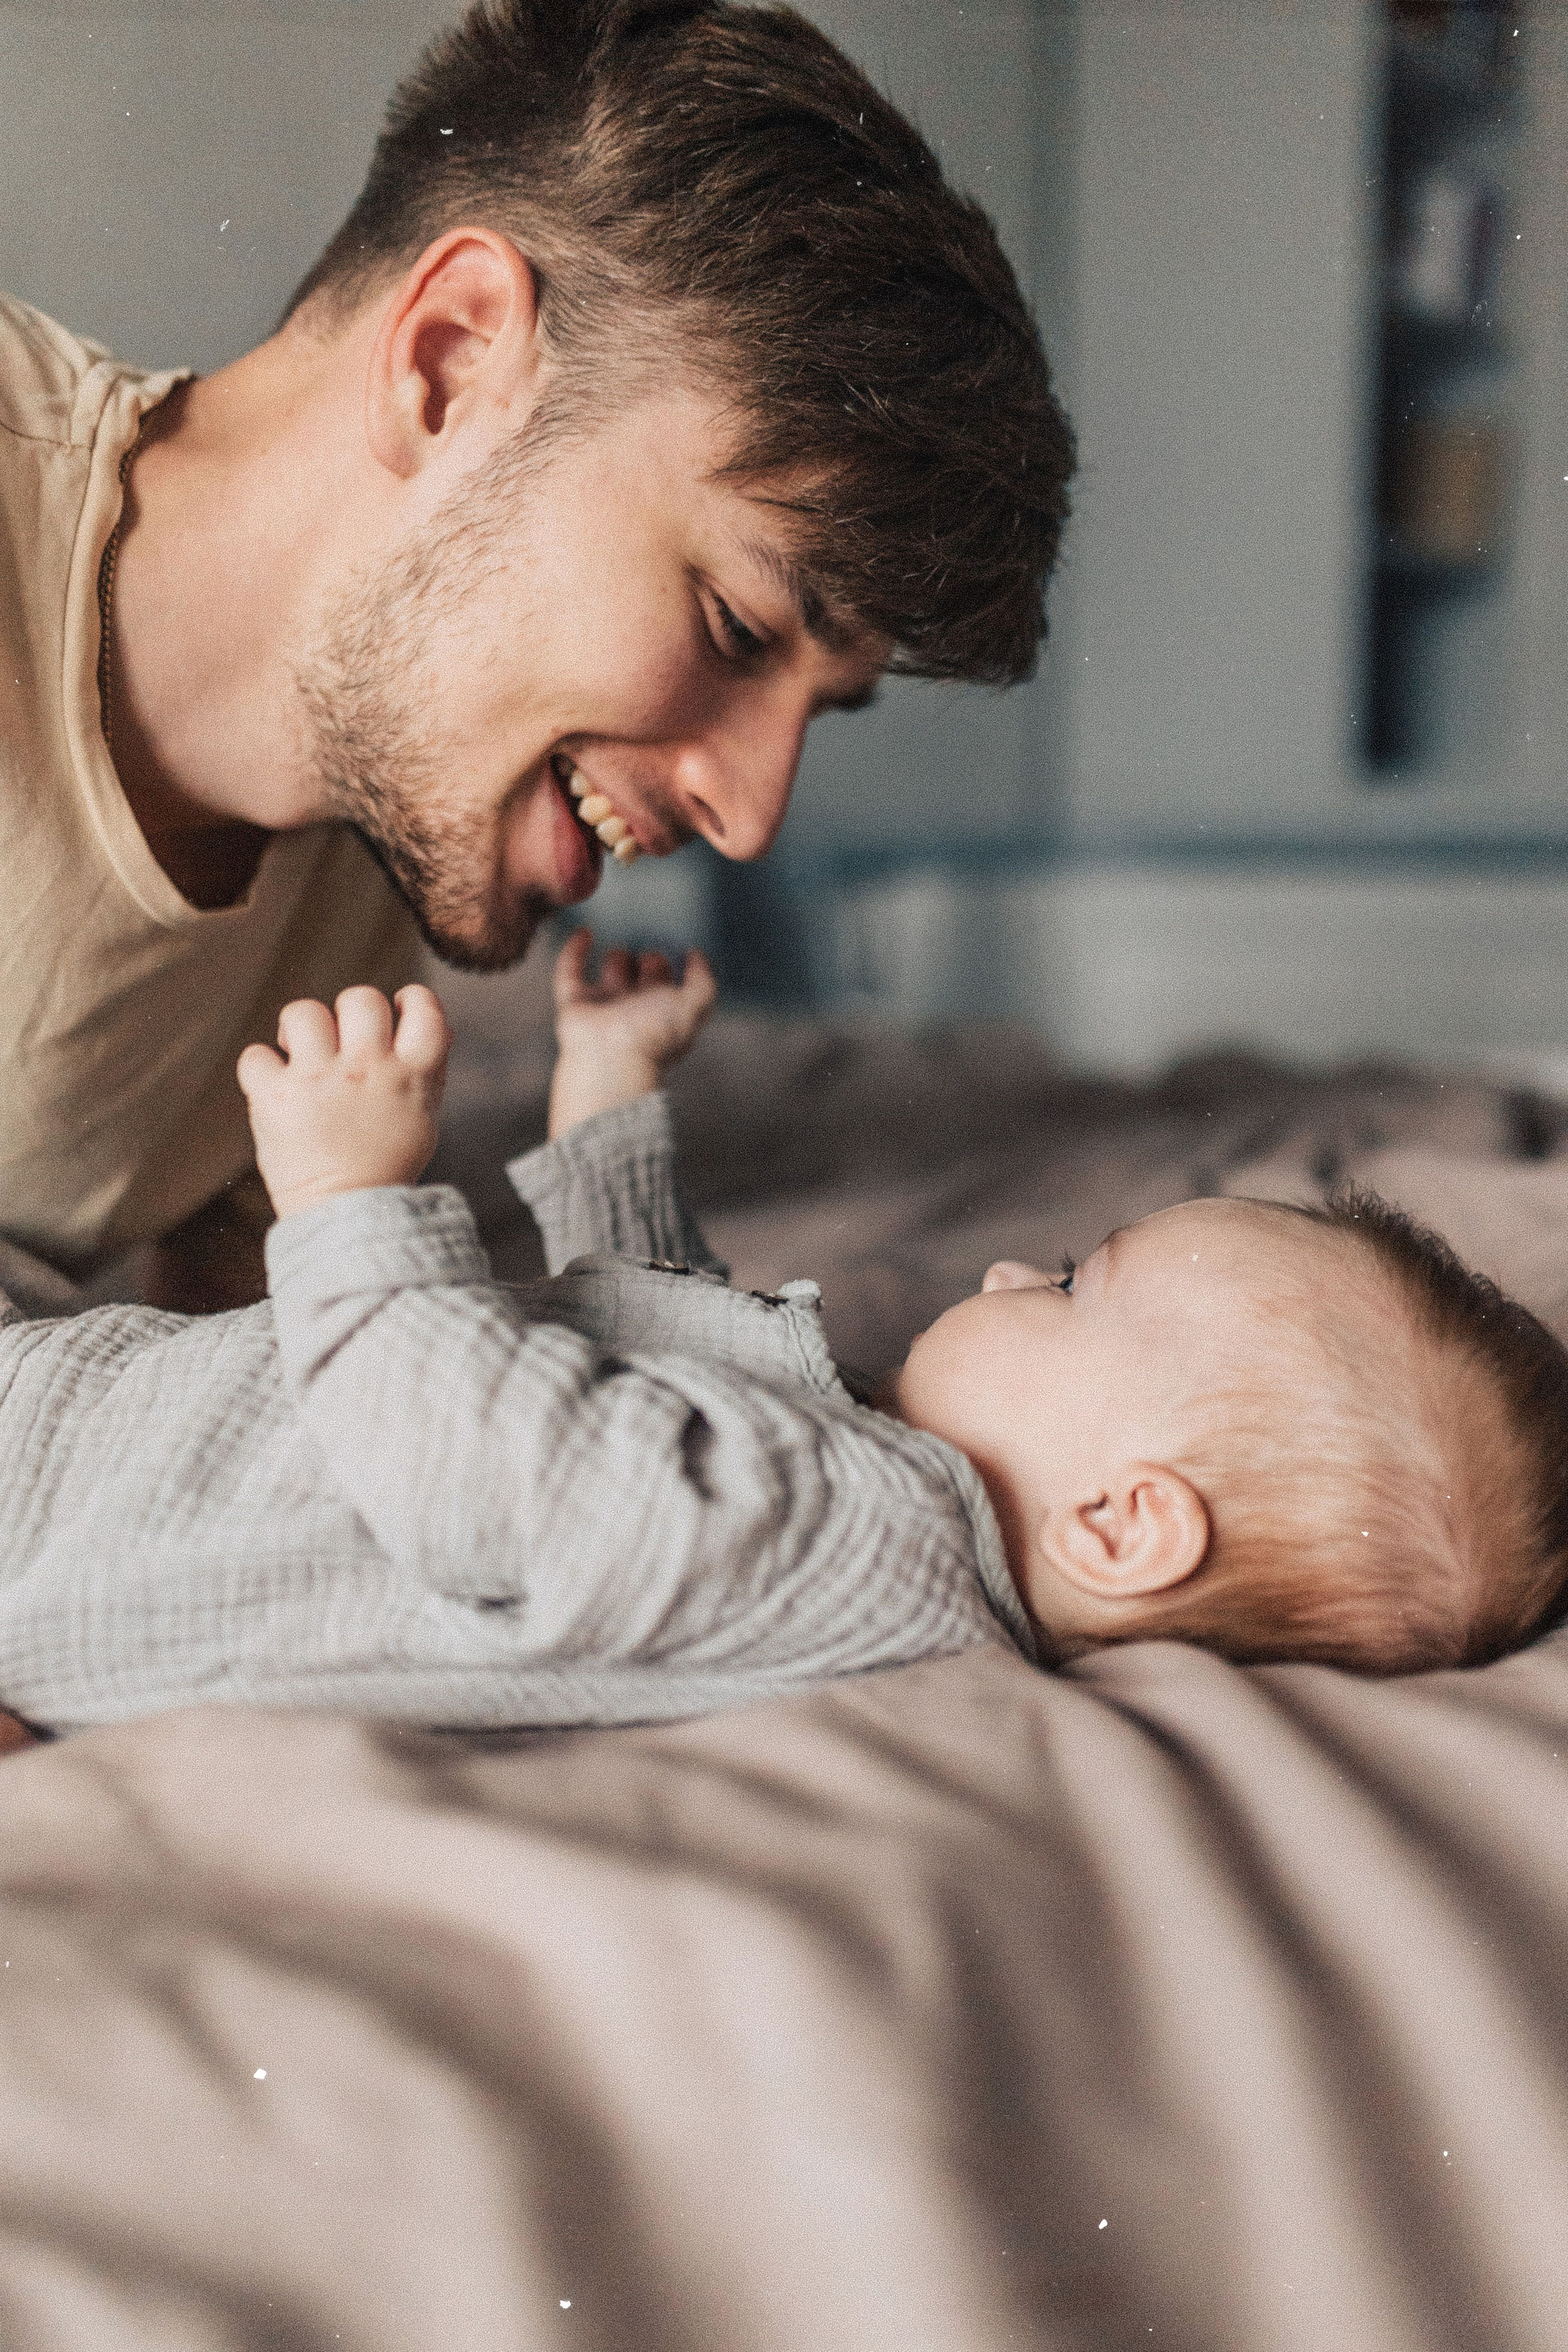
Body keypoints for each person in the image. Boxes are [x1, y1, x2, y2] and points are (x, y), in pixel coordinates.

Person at [0, 0, 1074, 1311]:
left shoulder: (388, 812)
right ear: (448, 361)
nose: (749, 819)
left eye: (818, 711)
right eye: (736, 627)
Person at [1, 935, 1566, 1742]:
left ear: (1121, 1521)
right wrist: (608, 1095)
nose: (1017, 1270)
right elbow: (643, 1371)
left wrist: (346, 1200)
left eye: (1081, 1287)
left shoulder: (864, 1546)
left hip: (74, 1506)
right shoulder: (865, 1492)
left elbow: (493, 1466)